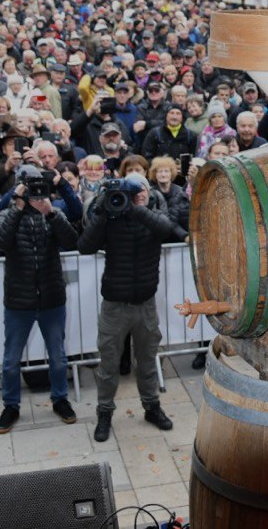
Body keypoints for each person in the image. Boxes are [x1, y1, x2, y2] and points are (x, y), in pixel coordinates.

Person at [78, 172, 186, 443]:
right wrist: (104, 211)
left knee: (148, 361)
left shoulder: (153, 215)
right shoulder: (111, 219)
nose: (139, 195)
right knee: (108, 365)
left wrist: (137, 210)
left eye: (142, 191)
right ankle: (104, 412)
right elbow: (85, 246)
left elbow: (167, 230)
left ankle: (151, 407)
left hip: (145, 305)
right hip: (115, 306)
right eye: (132, 192)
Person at [0, 165, 80, 433]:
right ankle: (11, 405)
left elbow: (72, 241)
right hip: (19, 300)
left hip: (52, 297)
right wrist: (16, 207)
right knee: (10, 359)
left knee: (58, 356)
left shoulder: (54, 212)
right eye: (30, 188)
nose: (35, 193)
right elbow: (0, 242)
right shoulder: (8, 213)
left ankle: (60, 399)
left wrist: (51, 212)